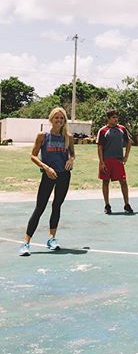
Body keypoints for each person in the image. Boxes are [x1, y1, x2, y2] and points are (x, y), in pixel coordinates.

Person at [19, 107, 75, 256]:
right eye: (56, 118)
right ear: (51, 119)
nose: (59, 120)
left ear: (64, 121)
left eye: (62, 118)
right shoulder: (43, 136)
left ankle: (52, 239)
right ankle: (26, 243)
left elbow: (73, 154)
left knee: (57, 206)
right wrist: (46, 167)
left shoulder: (68, 137)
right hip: (48, 175)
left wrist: (71, 159)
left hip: (64, 176)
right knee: (40, 207)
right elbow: (33, 156)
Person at [97, 109, 133, 215]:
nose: (116, 119)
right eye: (113, 117)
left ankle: (127, 204)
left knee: (123, 182)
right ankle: (107, 205)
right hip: (106, 161)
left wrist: (126, 156)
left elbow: (128, 143)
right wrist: (101, 162)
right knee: (105, 182)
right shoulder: (103, 131)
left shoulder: (122, 129)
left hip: (118, 161)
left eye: (117, 117)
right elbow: (99, 147)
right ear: (108, 119)